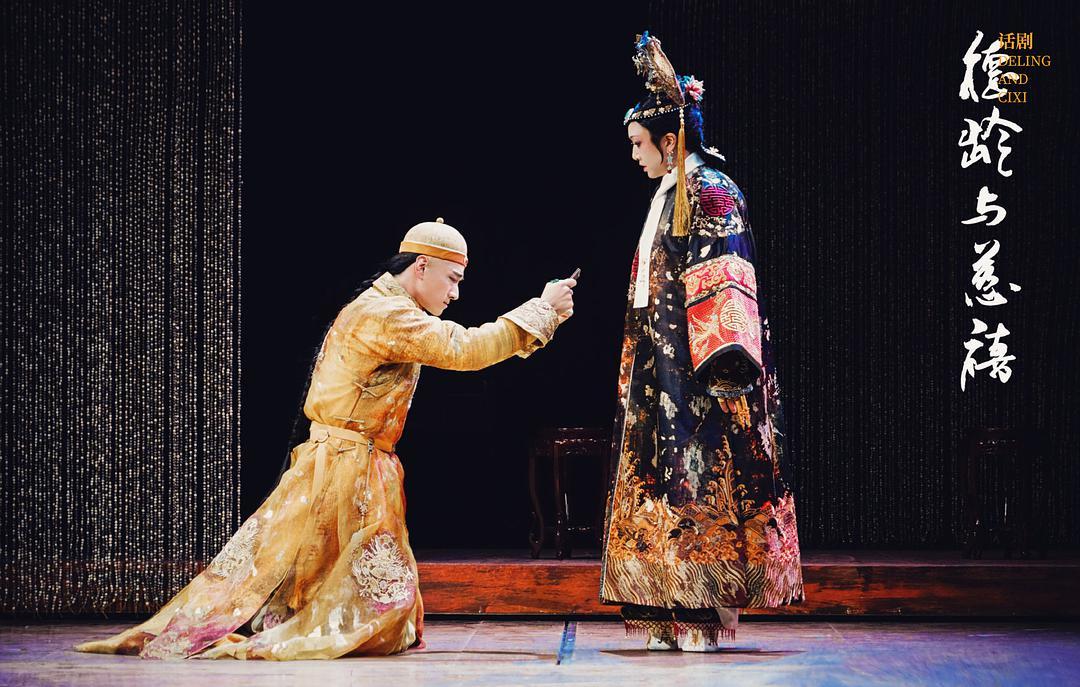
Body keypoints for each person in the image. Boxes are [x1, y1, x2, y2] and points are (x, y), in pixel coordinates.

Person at [75, 218, 575, 659]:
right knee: (367, 611)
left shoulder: (385, 306)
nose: (455, 294)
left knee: (334, 591)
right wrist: (542, 310)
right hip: (345, 465)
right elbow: (463, 348)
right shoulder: (385, 314)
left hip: (351, 459)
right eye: (453, 279)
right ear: (421, 266)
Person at [599, 32, 803, 652]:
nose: (634, 155)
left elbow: (728, 279)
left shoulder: (711, 191)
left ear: (670, 141)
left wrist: (722, 370)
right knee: (656, 478)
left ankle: (700, 612)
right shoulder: (667, 197)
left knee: (699, 479)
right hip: (657, 366)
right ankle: (660, 606)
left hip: (700, 372)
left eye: (640, 144)